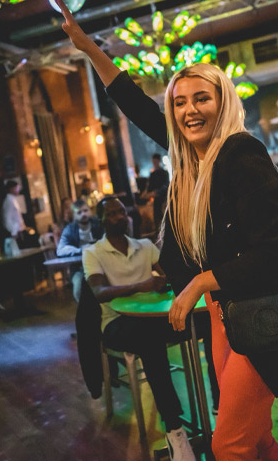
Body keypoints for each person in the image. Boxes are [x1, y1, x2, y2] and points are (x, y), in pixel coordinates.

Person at [58, 0, 278, 461]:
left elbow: (274, 254)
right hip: (229, 312)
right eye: (180, 102)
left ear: (223, 101)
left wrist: (201, 282)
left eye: (201, 98)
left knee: (230, 445)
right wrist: (88, 48)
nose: (188, 111)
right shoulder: (194, 161)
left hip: (267, 312)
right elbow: (133, 102)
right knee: (257, 438)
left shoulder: (241, 154)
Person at [83, 197, 195, 461]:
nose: (120, 217)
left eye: (122, 212)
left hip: (152, 319)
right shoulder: (93, 253)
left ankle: (217, 407)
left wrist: (169, 278)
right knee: (150, 340)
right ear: (101, 220)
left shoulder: (144, 246)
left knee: (200, 322)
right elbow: (98, 292)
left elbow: (167, 274)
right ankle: (175, 428)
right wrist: (141, 285)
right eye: (112, 214)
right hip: (115, 323)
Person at [57, 199, 104, 302]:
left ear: (90, 211)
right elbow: (60, 250)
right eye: (79, 212)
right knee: (78, 291)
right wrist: (80, 250)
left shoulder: (99, 224)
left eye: (86, 210)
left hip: (102, 263)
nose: (84, 214)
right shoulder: (69, 229)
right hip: (79, 267)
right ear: (74, 215)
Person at [142, 153, 170, 231]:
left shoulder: (164, 173)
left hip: (163, 199)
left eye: (156, 162)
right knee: (157, 219)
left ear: (159, 161)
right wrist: (146, 192)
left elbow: (166, 186)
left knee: (163, 218)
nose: (154, 164)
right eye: (153, 162)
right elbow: (149, 187)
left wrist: (155, 192)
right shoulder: (152, 174)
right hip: (156, 200)